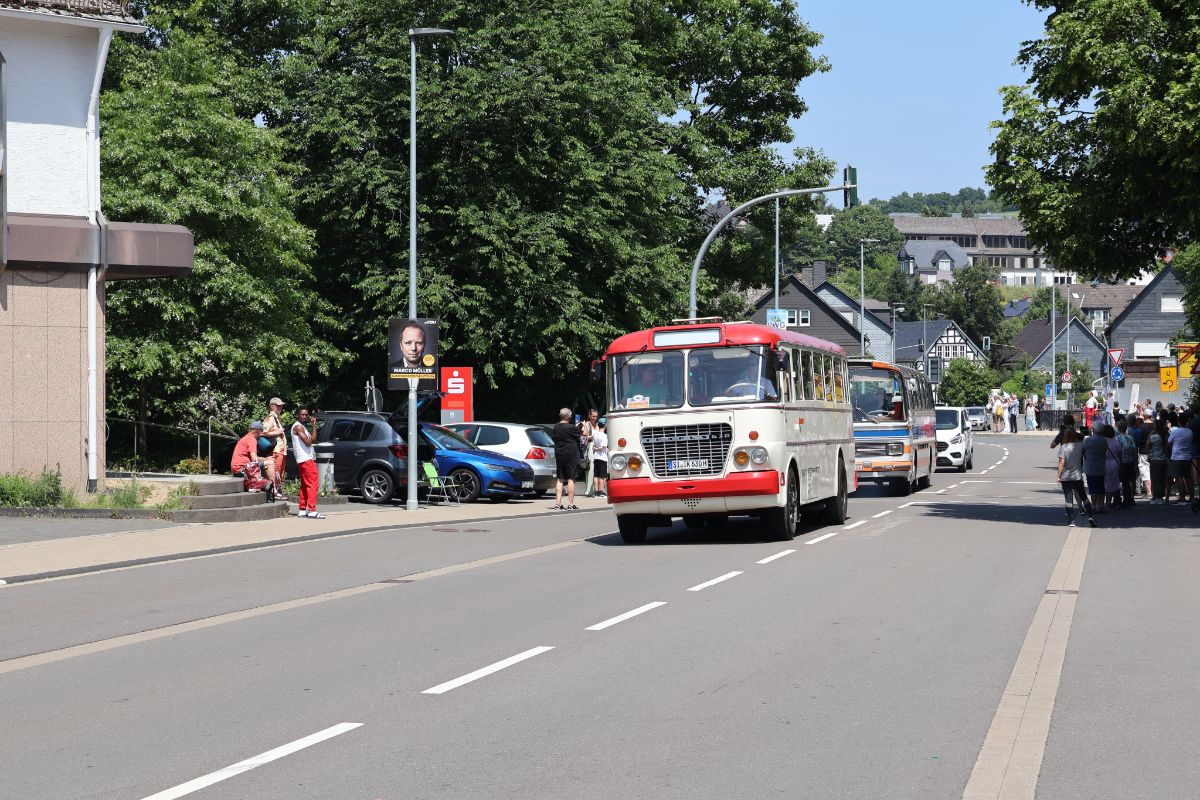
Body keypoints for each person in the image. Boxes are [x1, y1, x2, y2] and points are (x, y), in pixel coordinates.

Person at [1057, 426, 1097, 527]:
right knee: (1084, 496)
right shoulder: (1080, 445)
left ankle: (1071, 520)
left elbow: (1061, 463)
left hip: (1066, 476)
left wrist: (1058, 476)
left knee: (1068, 499)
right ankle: (1091, 516)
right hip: (1077, 475)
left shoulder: (1063, 447)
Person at [291, 407, 323, 518]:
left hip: (304, 459)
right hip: (305, 459)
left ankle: (302, 509)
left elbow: (313, 440)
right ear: (297, 415)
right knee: (313, 483)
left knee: (305, 485)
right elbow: (308, 443)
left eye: (306, 414)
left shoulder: (303, 427)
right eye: (302, 414)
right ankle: (312, 510)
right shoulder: (298, 427)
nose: (304, 416)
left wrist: (314, 426)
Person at [551, 408, 582, 509]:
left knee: (560, 479)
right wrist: (584, 425)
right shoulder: (571, 427)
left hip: (560, 454)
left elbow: (554, 438)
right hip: (571, 455)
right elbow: (584, 433)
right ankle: (570, 504)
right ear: (569, 416)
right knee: (571, 478)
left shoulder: (556, 427)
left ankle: (558, 503)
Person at [231, 420, 271, 495]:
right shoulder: (252, 439)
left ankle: (267, 486)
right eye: (261, 431)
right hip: (241, 470)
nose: (262, 433)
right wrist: (267, 459)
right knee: (269, 463)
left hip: (237, 469)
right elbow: (254, 459)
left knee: (264, 464)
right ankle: (274, 490)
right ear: (257, 431)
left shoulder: (246, 438)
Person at [1080, 424, 1110, 514]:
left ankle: (1093, 506)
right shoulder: (1104, 440)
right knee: (1101, 487)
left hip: (1090, 467)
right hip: (1101, 466)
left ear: (1093, 430)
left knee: (1092, 488)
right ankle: (1101, 505)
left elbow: (1082, 451)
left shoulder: (1087, 440)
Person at [262, 397, 287, 498]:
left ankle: (277, 491)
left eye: (281, 406)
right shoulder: (271, 418)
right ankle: (274, 492)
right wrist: (276, 432)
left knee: (279, 471)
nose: (280, 408)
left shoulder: (276, 417)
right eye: (278, 406)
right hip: (276, 450)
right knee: (276, 470)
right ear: (272, 406)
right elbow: (262, 433)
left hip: (280, 449)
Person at [1167, 411, 1195, 504]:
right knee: (1188, 478)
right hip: (1187, 457)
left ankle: (1182, 498)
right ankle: (1192, 497)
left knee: (1179, 478)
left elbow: (1169, 442)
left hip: (1177, 457)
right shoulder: (1190, 432)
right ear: (1186, 421)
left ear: (1179, 421)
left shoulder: (1175, 432)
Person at [1115, 419, 1138, 508]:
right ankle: (1128, 499)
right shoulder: (1130, 438)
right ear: (1126, 428)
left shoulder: (1116, 439)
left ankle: (1118, 500)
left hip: (1120, 463)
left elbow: (1116, 452)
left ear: (1118, 428)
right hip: (1129, 462)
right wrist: (1135, 463)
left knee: (1118, 482)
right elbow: (1134, 451)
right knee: (1127, 482)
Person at [1148, 417, 1170, 504]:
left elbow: (1147, 445)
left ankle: (1156, 497)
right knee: (1162, 478)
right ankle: (1160, 497)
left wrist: (1150, 435)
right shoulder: (1165, 435)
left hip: (1155, 459)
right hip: (1163, 459)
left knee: (1155, 479)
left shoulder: (1154, 436)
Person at [580, 409, 599, 497]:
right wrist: (591, 437)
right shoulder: (586, 425)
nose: (595, 418)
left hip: (598, 447)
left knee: (596, 468)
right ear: (589, 416)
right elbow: (582, 437)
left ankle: (596, 489)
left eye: (596, 416)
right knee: (590, 468)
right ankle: (589, 490)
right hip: (589, 447)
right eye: (593, 416)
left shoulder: (598, 425)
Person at [591, 418, 609, 497]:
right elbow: (603, 447)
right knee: (602, 475)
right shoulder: (604, 436)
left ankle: (596, 491)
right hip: (602, 457)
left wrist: (595, 449)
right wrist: (597, 449)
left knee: (596, 475)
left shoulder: (595, 435)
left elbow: (594, 446)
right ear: (605, 425)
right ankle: (601, 491)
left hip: (596, 457)